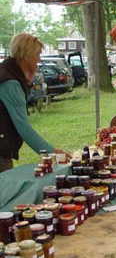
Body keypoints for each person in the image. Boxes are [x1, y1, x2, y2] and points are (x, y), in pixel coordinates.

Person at [0, 33, 70, 173]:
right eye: (37, 55)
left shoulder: (6, 72)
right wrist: (52, 152)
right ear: (26, 55)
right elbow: (23, 127)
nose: (38, 60)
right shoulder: (10, 83)